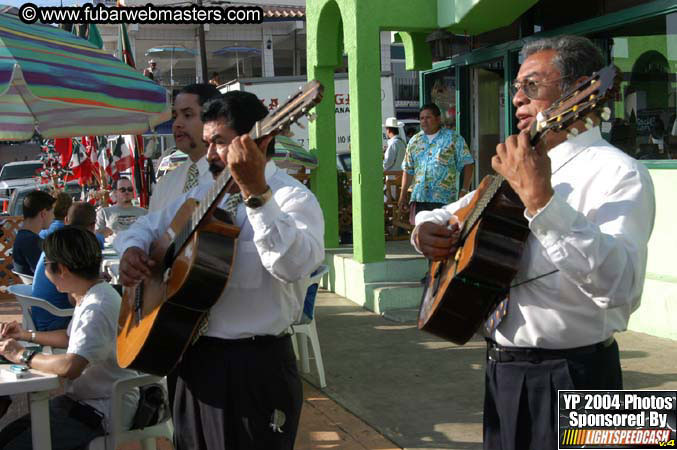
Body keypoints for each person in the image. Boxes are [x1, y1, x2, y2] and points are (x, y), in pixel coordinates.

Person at [411, 35, 655, 450]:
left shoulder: (620, 173)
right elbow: (445, 212)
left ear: (578, 89)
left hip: (579, 374)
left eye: (532, 87)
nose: (517, 100)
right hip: (502, 370)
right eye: (516, 88)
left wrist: (543, 201)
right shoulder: (514, 168)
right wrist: (424, 231)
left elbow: (622, 287)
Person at [114, 90, 325, 450]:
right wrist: (131, 250)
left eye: (220, 143)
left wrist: (256, 193)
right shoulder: (201, 197)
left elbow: (292, 267)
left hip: (252, 368)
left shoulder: (293, 199)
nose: (210, 154)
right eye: (208, 142)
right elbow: (145, 227)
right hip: (191, 361)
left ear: (261, 140)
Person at [0, 227, 139, 450]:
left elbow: (70, 365)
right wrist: (26, 335)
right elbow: (68, 337)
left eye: (46, 265)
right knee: (6, 438)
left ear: (62, 269)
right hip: (83, 403)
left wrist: (21, 354)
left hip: (98, 412)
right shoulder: (93, 293)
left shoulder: (97, 307)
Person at [149, 84, 220, 212]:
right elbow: (151, 229)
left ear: (212, 119)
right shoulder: (165, 185)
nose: (176, 124)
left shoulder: (233, 181)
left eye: (187, 115)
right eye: (175, 116)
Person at [398, 103, 474, 222]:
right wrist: (402, 196)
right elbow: (408, 170)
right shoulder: (414, 141)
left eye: (428, 117)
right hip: (419, 198)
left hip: (443, 199)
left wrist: (464, 190)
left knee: (440, 236)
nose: (424, 121)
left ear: (438, 119)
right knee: (419, 236)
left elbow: (468, 163)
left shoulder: (453, 138)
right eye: (422, 118)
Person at [32, 202, 100, 331]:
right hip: (56, 320)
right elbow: (76, 300)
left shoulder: (59, 242)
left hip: (40, 315)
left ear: (66, 220)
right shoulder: (73, 247)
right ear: (92, 225)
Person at [12, 190, 54, 276]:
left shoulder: (23, 236)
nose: (54, 217)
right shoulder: (31, 241)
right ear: (43, 214)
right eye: (52, 213)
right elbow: (49, 275)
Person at [95, 177, 146, 243]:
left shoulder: (144, 212)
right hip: (113, 251)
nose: (127, 192)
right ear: (115, 192)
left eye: (130, 189)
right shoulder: (104, 212)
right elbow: (95, 238)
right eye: (122, 190)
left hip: (138, 249)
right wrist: (103, 233)